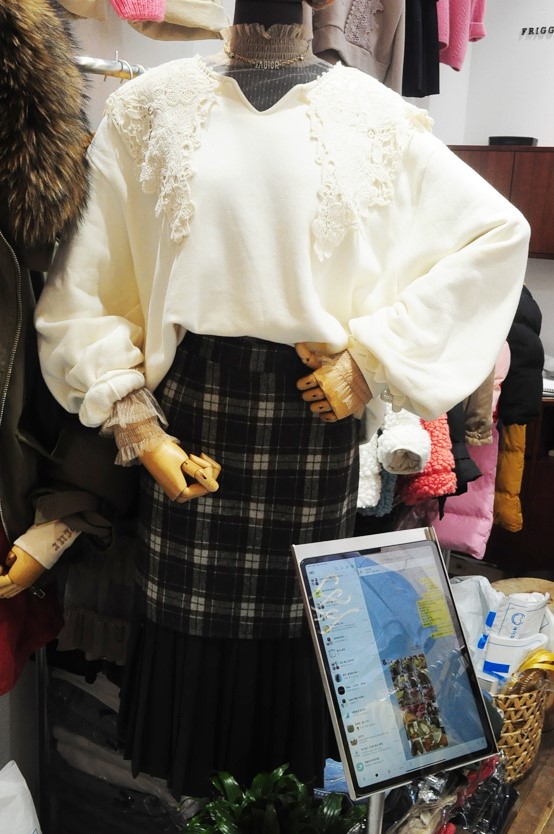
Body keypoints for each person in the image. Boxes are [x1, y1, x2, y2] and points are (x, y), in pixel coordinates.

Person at [31, 0, 530, 799]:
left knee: (300, 652)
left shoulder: (376, 117)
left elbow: (495, 237)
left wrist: (371, 360)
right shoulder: (147, 107)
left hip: (312, 425)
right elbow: (84, 286)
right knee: (194, 681)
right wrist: (135, 423)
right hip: (189, 416)